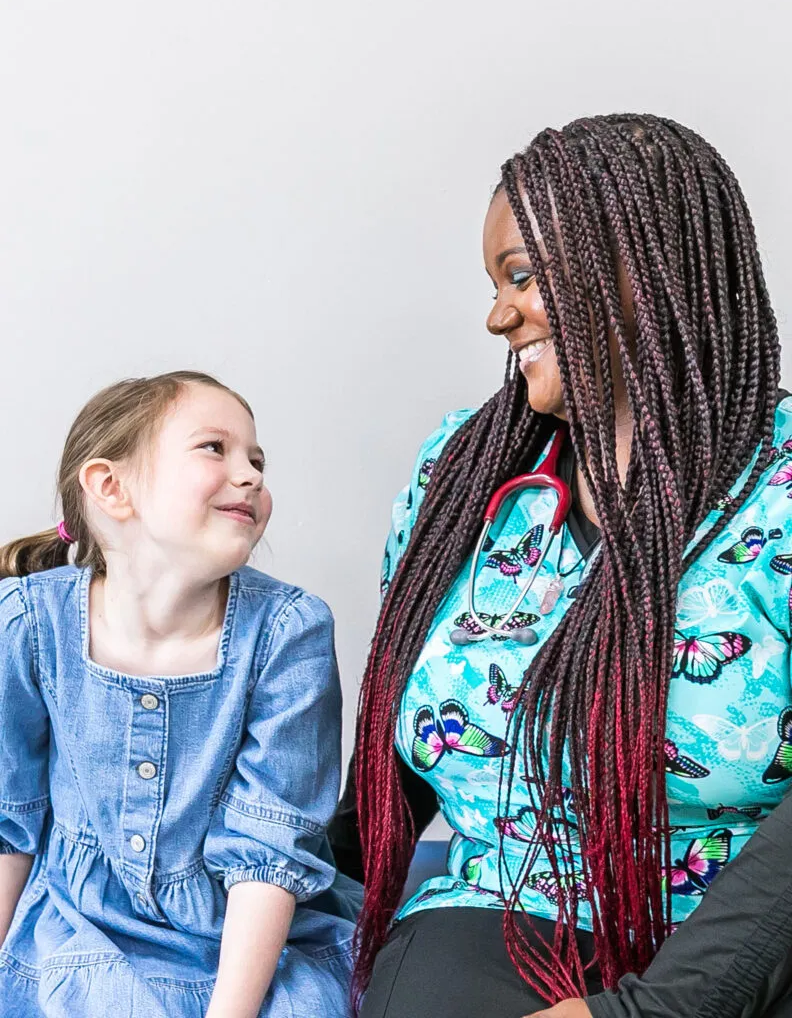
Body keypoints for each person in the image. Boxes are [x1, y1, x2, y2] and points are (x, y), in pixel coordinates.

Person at [328, 115, 792, 1018]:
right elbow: (394, 767)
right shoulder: (458, 479)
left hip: (747, 932)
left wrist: (663, 1007)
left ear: (640, 265)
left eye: (521, 275)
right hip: (507, 914)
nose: (498, 315)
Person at [0, 370, 359, 1017]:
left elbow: (268, 857)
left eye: (257, 460)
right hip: (79, 929)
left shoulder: (289, 631)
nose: (250, 475)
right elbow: (8, 826)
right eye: (214, 449)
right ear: (111, 488)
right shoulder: (28, 624)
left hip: (246, 943)